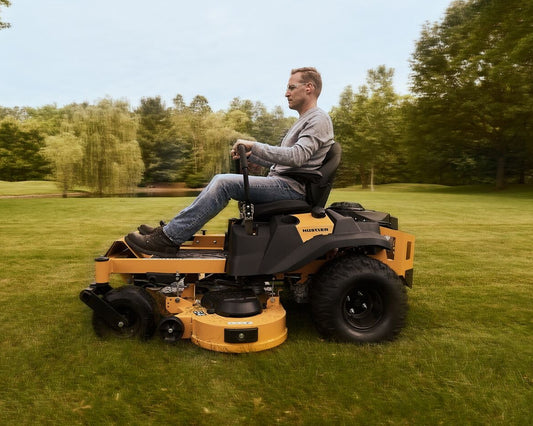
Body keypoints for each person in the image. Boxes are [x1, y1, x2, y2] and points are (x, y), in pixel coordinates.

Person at [125, 67, 335, 257]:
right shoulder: (305, 120)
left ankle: (168, 238)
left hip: (291, 188)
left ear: (309, 88)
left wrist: (256, 146)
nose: (286, 93)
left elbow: (297, 156)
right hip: (284, 183)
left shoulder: (318, 119)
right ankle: (171, 230)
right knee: (221, 180)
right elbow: (288, 161)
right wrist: (252, 156)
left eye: (291, 87)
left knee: (223, 182)